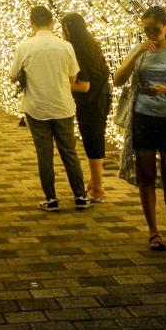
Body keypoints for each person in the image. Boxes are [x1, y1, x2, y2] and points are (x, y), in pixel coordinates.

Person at [113, 5, 166, 251]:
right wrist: (136, 54)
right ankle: (153, 231)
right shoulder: (139, 50)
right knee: (146, 174)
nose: (151, 33)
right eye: (146, 29)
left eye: (156, 29)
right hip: (142, 117)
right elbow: (118, 80)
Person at [9, 5, 92, 212]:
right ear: (52, 22)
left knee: (44, 154)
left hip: (36, 107)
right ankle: (80, 196)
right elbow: (73, 77)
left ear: (32, 23)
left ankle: (52, 199)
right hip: (63, 105)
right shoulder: (65, 46)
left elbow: (12, 76)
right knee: (69, 152)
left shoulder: (24, 47)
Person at [60, 12, 113, 203]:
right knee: (96, 137)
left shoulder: (77, 50)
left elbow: (84, 85)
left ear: (68, 29)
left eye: (64, 28)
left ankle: (98, 187)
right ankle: (94, 182)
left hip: (90, 100)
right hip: (102, 97)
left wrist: (60, 84)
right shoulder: (91, 45)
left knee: (93, 140)